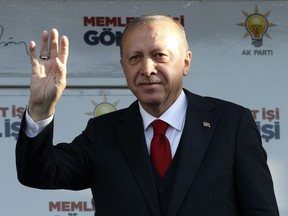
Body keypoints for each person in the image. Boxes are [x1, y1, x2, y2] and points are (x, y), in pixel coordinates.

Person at [16, 14, 279, 216]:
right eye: (135, 58)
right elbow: (38, 173)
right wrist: (40, 109)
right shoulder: (102, 133)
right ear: (123, 67)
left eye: (159, 55)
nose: (147, 68)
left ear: (185, 62)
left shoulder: (232, 124)